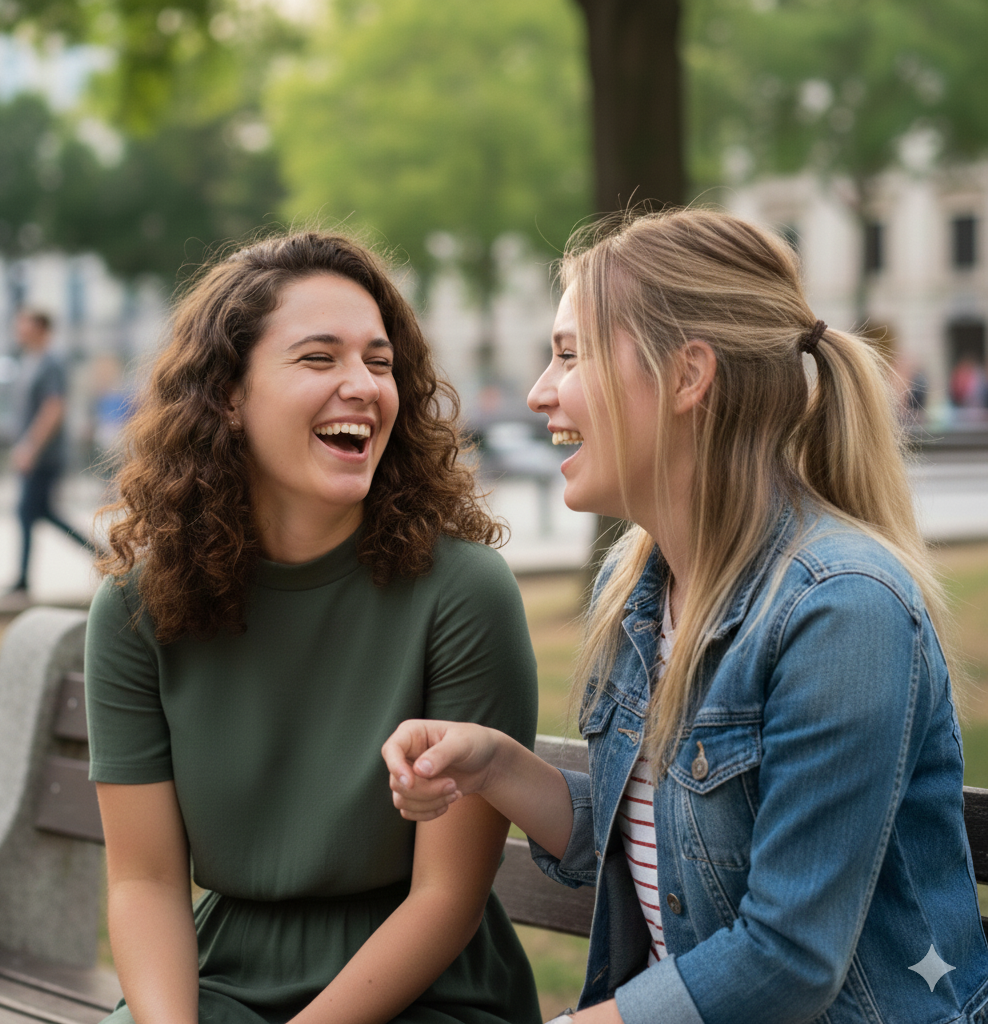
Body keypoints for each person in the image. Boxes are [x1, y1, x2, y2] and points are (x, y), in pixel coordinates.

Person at [383, 209, 988, 1024]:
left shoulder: (842, 608)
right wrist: (495, 767)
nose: (538, 391)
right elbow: (663, 849)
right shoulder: (637, 586)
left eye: (569, 354)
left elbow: (788, 959)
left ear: (688, 375)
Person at [84, 232, 542, 1024]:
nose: (362, 386)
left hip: (428, 993)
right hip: (221, 980)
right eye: (319, 359)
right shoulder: (136, 606)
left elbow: (446, 896)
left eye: (378, 360)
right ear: (229, 394)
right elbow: (144, 882)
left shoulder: (465, 592)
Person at [6, 309, 94, 597]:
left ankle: (22, 580)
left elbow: (54, 407)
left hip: (45, 456)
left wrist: (30, 446)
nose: (19, 327)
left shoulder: (50, 363)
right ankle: (103, 556)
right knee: (40, 512)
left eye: (25, 322)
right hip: (33, 454)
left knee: (28, 511)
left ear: (41, 328)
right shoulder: (29, 361)